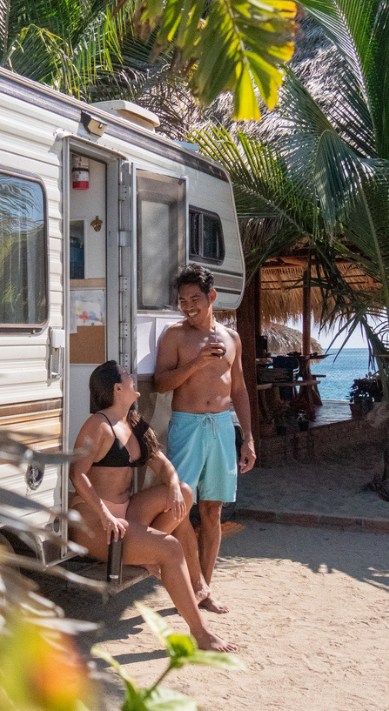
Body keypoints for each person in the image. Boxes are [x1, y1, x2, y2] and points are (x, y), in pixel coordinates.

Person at [69, 359, 236, 652]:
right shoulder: (98, 425)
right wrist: (105, 515)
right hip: (95, 522)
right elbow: (77, 474)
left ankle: (151, 556)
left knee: (183, 495)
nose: (135, 376)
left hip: (126, 512)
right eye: (127, 374)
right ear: (117, 387)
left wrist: (172, 484)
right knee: (170, 547)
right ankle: (200, 634)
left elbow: (163, 464)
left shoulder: (132, 423)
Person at [154, 263, 256, 614]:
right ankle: (189, 581)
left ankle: (205, 590)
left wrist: (248, 438)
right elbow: (160, 383)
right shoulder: (175, 336)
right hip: (188, 425)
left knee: (213, 510)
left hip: (222, 427)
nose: (187, 306)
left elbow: (240, 389)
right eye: (182, 300)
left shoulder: (232, 338)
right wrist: (195, 364)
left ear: (212, 297)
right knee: (181, 507)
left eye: (194, 298)